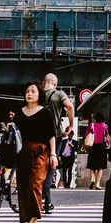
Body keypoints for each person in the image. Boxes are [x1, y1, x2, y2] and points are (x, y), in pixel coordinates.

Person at [14, 82, 58, 223]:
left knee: (35, 183)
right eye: (27, 91)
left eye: (33, 91)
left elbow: (51, 135)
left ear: (39, 95)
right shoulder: (19, 113)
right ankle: (29, 222)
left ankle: (34, 221)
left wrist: (53, 154)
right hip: (22, 152)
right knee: (24, 186)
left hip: (41, 151)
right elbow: (16, 135)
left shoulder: (45, 112)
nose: (29, 94)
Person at [41, 73, 74, 210]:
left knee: (38, 166)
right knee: (50, 167)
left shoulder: (37, 94)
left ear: (44, 83)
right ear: (55, 84)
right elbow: (70, 107)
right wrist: (70, 125)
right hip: (55, 135)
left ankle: (38, 198)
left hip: (38, 136)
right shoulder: (59, 94)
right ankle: (47, 202)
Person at [86, 113, 109, 188]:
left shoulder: (91, 125)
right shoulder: (105, 126)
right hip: (102, 148)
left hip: (93, 147)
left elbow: (86, 135)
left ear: (95, 118)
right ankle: (97, 183)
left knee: (92, 166)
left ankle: (92, 179)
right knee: (100, 167)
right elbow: (108, 138)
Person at [56, 123, 77, 188]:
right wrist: (59, 157)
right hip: (64, 157)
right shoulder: (64, 141)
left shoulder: (75, 142)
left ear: (73, 135)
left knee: (70, 171)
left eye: (71, 136)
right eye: (69, 136)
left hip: (70, 158)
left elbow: (77, 149)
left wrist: (72, 146)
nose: (70, 137)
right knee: (64, 171)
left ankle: (68, 184)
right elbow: (61, 149)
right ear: (68, 135)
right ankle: (65, 184)